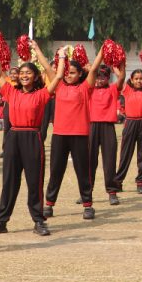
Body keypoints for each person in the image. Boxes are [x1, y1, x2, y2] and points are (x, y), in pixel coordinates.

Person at [0, 42, 52, 236]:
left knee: (34, 182)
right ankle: (1, 221)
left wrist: (37, 50)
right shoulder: (10, 91)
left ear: (35, 76)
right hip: (13, 137)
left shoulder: (42, 94)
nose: (24, 75)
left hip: (32, 137)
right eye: (22, 73)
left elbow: (53, 75)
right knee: (9, 181)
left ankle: (39, 221)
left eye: (28, 73)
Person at [43, 45, 103, 220]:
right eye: (67, 72)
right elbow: (47, 67)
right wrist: (37, 48)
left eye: (72, 73)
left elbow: (94, 69)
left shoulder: (85, 88)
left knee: (83, 171)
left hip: (80, 135)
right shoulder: (59, 86)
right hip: (59, 135)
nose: (68, 75)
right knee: (56, 171)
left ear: (80, 74)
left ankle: (88, 205)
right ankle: (49, 204)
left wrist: (102, 50)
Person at [88, 56, 123, 206]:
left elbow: (121, 78)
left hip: (108, 127)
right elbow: (89, 73)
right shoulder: (89, 89)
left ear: (108, 78)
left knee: (109, 161)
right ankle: (87, 192)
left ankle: (112, 192)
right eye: (97, 76)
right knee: (89, 160)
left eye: (103, 77)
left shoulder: (112, 89)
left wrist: (118, 66)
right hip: (91, 126)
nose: (99, 80)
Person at [114, 66, 142, 194]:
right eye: (136, 79)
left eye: (141, 79)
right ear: (131, 80)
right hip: (130, 123)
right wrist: (115, 63)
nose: (139, 81)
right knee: (125, 154)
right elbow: (119, 75)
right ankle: (118, 181)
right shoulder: (127, 90)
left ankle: (140, 182)